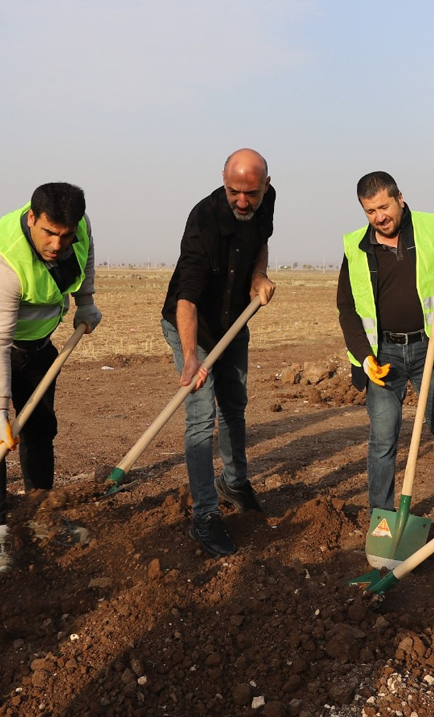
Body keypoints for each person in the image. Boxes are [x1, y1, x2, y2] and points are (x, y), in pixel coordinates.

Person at [336, 172, 434, 551]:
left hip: (431, 349)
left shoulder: (431, 228)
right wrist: (364, 358)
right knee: (382, 442)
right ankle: (383, 520)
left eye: (384, 206)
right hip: (383, 357)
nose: (379, 216)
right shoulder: (356, 247)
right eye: (370, 210)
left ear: (400, 198)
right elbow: (347, 309)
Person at [0, 182, 100, 573]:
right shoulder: (2, 258)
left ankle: (40, 515)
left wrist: (85, 302)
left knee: (40, 427)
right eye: (49, 233)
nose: (57, 244)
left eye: (65, 235)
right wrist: (0, 412)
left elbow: (85, 260)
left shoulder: (77, 230)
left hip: (37, 339)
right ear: (31, 218)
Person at [161, 148, 277, 557]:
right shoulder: (203, 222)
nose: (242, 202)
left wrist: (259, 274)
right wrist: (192, 356)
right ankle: (205, 517)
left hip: (233, 323)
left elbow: (262, 238)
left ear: (265, 185)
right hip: (192, 326)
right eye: (233, 192)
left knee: (235, 405)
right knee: (200, 415)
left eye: (251, 194)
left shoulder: (267, 200)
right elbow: (187, 297)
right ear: (222, 181)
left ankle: (234, 482)